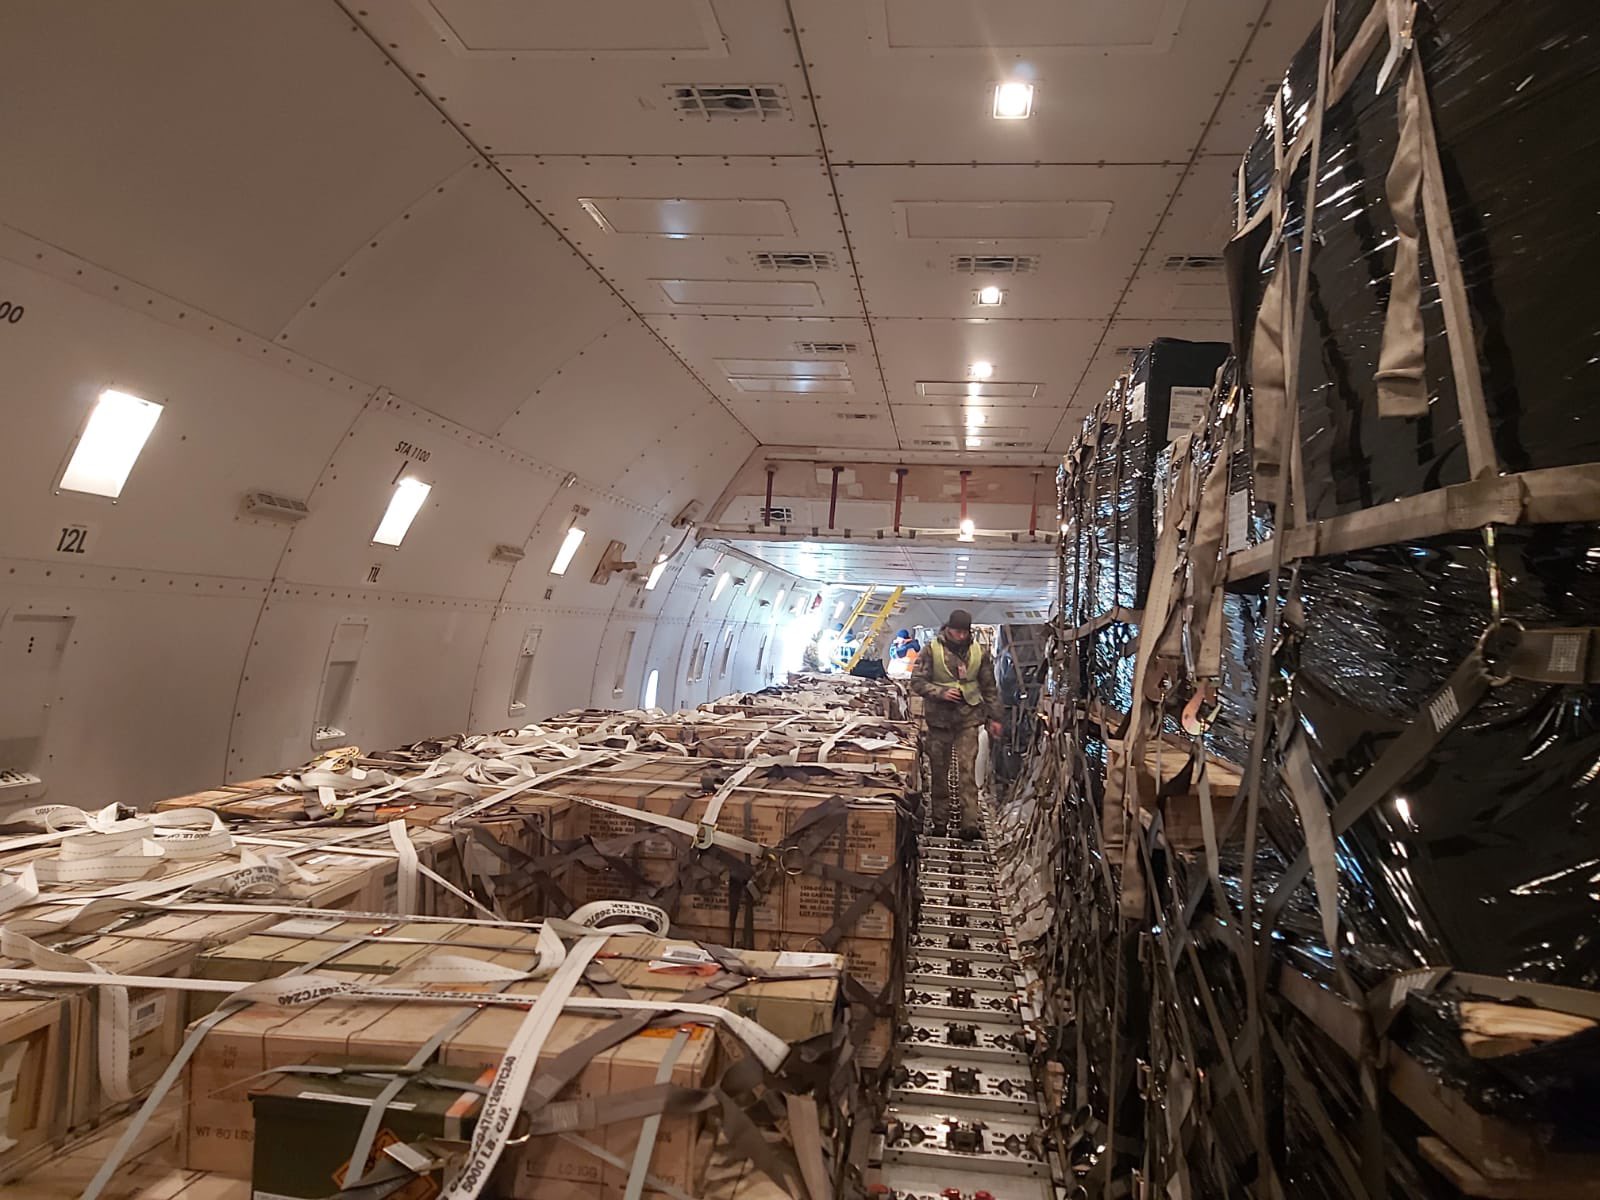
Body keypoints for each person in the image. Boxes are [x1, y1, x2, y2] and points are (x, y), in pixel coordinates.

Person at [909, 609, 1002, 840]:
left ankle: (969, 824)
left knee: (967, 771)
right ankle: (940, 822)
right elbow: (917, 681)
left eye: (964, 632)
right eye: (957, 632)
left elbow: (989, 688)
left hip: (968, 719)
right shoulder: (931, 650)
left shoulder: (979, 653)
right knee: (939, 773)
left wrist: (995, 718)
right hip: (939, 721)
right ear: (948, 629)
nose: (961, 636)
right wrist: (940, 692)